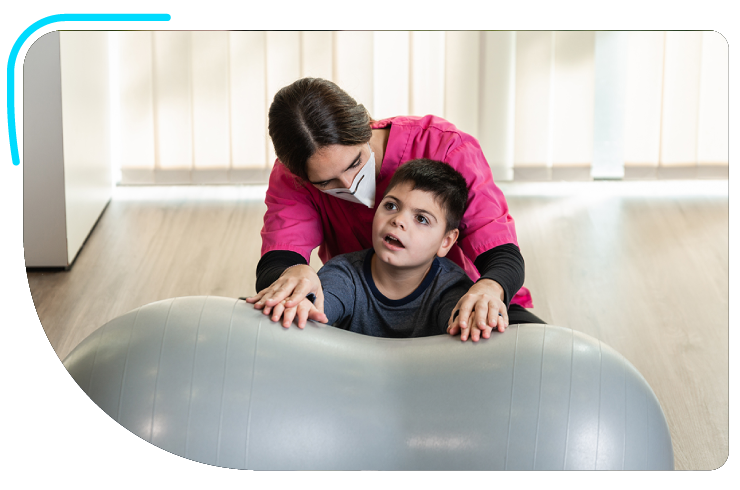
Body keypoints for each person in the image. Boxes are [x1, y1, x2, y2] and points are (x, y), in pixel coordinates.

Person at [246, 77, 544, 342]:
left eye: (355, 163)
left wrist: (490, 288)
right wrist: (292, 276)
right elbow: (280, 257)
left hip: (471, 296)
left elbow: (500, 252)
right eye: (326, 182)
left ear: (365, 126)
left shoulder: (445, 147)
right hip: (358, 307)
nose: (349, 185)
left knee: (537, 348)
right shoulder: (342, 274)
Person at [254, 159, 491, 339]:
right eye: (391, 206)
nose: (399, 220)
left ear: (446, 242)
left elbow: (465, 328)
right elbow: (319, 307)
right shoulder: (344, 273)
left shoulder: (451, 286)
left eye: (421, 219)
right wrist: (303, 304)